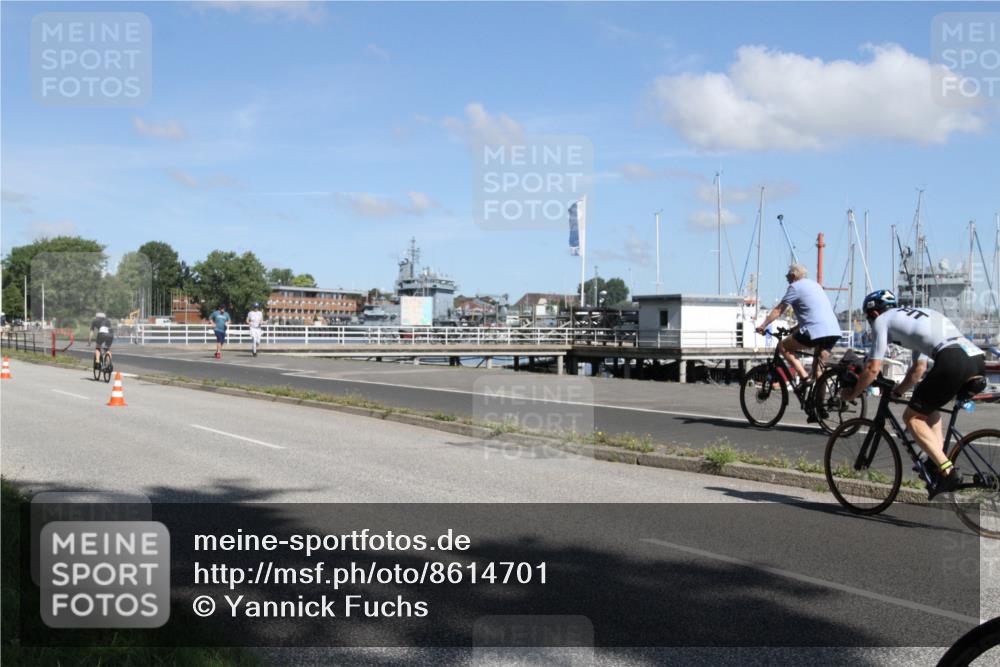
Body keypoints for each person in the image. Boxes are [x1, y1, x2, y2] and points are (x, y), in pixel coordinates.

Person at [840, 289, 986, 498]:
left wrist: (852, 394)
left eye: (869, 318)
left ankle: (947, 471)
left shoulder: (883, 320)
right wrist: (899, 392)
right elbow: (918, 370)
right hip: (976, 358)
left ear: (874, 313)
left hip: (952, 360)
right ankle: (937, 462)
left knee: (912, 418)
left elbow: (872, 369)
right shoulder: (918, 316)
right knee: (928, 409)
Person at [756, 263, 842, 389]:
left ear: (793, 275)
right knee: (819, 370)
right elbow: (813, 313)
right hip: (833, 331)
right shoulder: (815, 285)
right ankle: (820, 401)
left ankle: (804, 377)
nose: (786, 277)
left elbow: (779, 310)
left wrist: (763, 325)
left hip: (815, 331)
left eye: (787, 275)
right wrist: (794, 329)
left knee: (783, 346)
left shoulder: (795, 287)